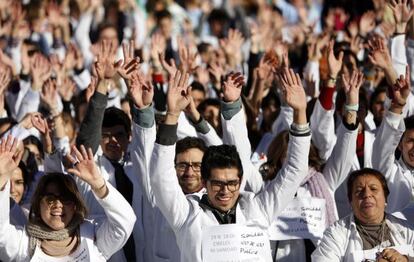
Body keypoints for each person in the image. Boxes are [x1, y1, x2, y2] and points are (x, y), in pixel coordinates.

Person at [149, 68, 311, 261]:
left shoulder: (257, 209)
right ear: (205, 181)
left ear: (240, 180)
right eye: (217, 183)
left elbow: (295, 170)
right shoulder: (187, 215)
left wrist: (300, 112)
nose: (225, 191)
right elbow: (161, 178)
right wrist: (173, 114)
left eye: (232, 183)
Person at [0, 135, 136, 261]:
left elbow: (126, 221)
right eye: (50, 198)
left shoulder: (93, 235)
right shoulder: (24, 243)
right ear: (38, 204)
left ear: (75, 205)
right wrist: (1, 179)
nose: (58, 204)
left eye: (66, 198)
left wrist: (99, 185)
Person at [311, 168, 414, 262]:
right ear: (351, 202)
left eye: (373, 189)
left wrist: (406, 259)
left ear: (385, 199)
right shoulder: (335, 234)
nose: (366, 195)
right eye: (359, 191)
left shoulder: (407, 230)